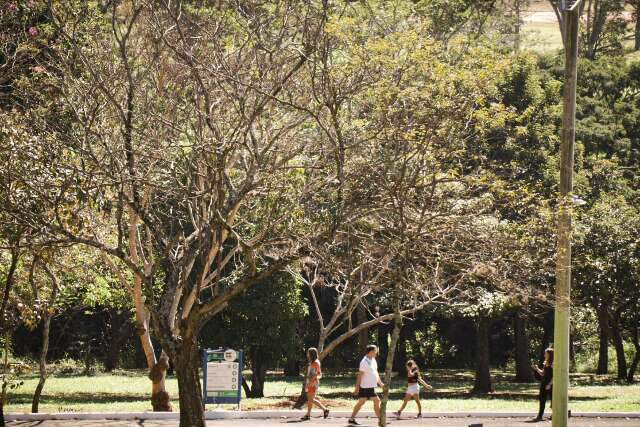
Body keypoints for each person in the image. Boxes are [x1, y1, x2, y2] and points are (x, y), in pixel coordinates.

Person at [348, 344, 384, 426]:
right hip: (365, 387)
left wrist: (380, 383)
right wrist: (357, 388)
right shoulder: (364, 362)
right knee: (377, 400)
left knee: (361, 402)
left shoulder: (373, 359)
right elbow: (359, 375)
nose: (377, 352)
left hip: (370, 386)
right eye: (375, 351)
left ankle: (351, 419)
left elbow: (375, 373)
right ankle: (381, 420)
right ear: (371, 352)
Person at [301, 347, 329, 421]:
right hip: (310, 382)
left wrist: (312, 381)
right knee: (311, 399)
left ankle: (308, 415)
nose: (307, 354)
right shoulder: (312, 362)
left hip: (313, 383)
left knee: (310, 399)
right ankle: (325, 410)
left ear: (311, 354)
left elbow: (319, 374)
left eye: (308, 353)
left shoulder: (316, 362)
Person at [531, 348, 554, 422]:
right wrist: (537, 369)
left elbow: (554, 375)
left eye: (545, 354)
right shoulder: (545, 362)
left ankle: (554, 415)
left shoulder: (553, 363)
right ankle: (540, 416)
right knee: (542, 399)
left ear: (549, 354)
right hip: (544, 383)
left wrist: (550, 384)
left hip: (551, 384)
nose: (544, 355)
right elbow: (543, 373)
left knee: (553, 400)